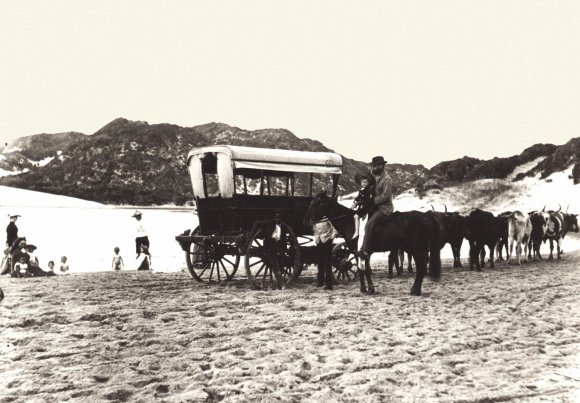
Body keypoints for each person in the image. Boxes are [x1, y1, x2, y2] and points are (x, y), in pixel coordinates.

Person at [360, 156, 394, 262]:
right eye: (373, 166)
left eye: (375, 166)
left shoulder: (387, 180)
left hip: (384, 209)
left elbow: (386, 196)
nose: (373, 168)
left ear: (381, 166)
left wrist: (372, 201)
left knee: (369, 225)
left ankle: (365, 251)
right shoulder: (376, 176)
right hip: (375, 207)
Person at [352, 173, 375, 239]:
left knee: (356, 216)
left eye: (365, 182)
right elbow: (358, 198)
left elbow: (368, 201)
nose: (363, 183)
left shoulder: (369, 190)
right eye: (362, 182)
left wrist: (359, 203)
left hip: (367, 208)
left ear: (368, 182)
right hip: (362, 207)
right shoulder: (362, 190)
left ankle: (357, 232)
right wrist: (355, 202)